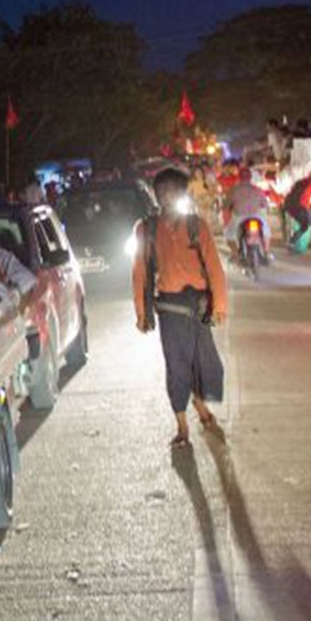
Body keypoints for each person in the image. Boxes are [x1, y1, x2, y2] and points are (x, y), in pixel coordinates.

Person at [132, 167, 229, 449]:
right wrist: (141, 312)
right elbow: (139, 272)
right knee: (177, 365)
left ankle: (201, 407)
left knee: (204, 362)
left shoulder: (196, 226)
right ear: (155, 194)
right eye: (161, 191)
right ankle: (182, 425)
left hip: (199, 306)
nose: (166, 196)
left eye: (172, 191)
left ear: (181, 193)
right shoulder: (146, 229)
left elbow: (213, 266)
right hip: (169, 309)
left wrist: (219, 304)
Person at [283, 166, 311, 254]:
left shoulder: (300, 182)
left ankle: (291, 243)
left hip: (290, 207)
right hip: (301, 207)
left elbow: (293, 192)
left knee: (304, 226)